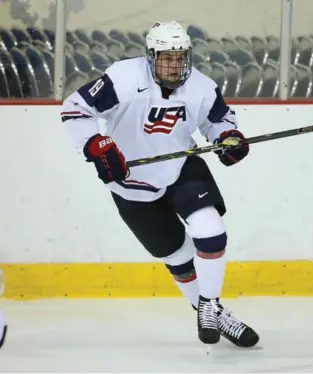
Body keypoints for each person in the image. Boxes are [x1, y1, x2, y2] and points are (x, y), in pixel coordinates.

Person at [61, 21, 259, 348]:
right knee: (177, 254)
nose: (175, 64)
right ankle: (212, 311)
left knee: (210, 229)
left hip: (180, 164)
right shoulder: (124, 78)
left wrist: (228, 137)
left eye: (181, 57)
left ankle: (209, 305)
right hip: (130, 182)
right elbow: (75, 108)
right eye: (167, 57)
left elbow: (219, 121)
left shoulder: (201, 86)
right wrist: (95, 144)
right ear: (150, 56)